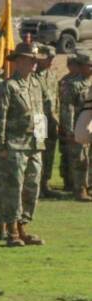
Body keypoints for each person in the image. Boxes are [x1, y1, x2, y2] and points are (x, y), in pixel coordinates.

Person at [0, 43, 46, 247]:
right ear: (19, 61)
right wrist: (0, 146)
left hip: (33, 146)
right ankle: (11, 230)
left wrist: (41, 141)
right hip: (13, 146)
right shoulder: (8, 86)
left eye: (35, 60)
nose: (34, 64)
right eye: (31, 59)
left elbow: (40, 114)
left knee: (31, 188)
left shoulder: (36, 84)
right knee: (13, 189)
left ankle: (23, 227)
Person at [58, 52, 91, 200]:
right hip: (80, 127)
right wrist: (70, 130)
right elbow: (67, 108)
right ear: (81, 66)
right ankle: (80, 190)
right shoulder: (73, 84)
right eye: (88, 66)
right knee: (80, 159)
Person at [34, 45, 60, 197]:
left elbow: (56, 98)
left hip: (52, 119)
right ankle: (36, 184)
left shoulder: (51, 75)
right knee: (39, 152)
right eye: (48, 58)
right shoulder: (33, 75)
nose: (51, 61)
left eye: (52, 58)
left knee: (49, 153)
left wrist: (57, 118)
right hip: (39, 119)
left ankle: (45, 183)